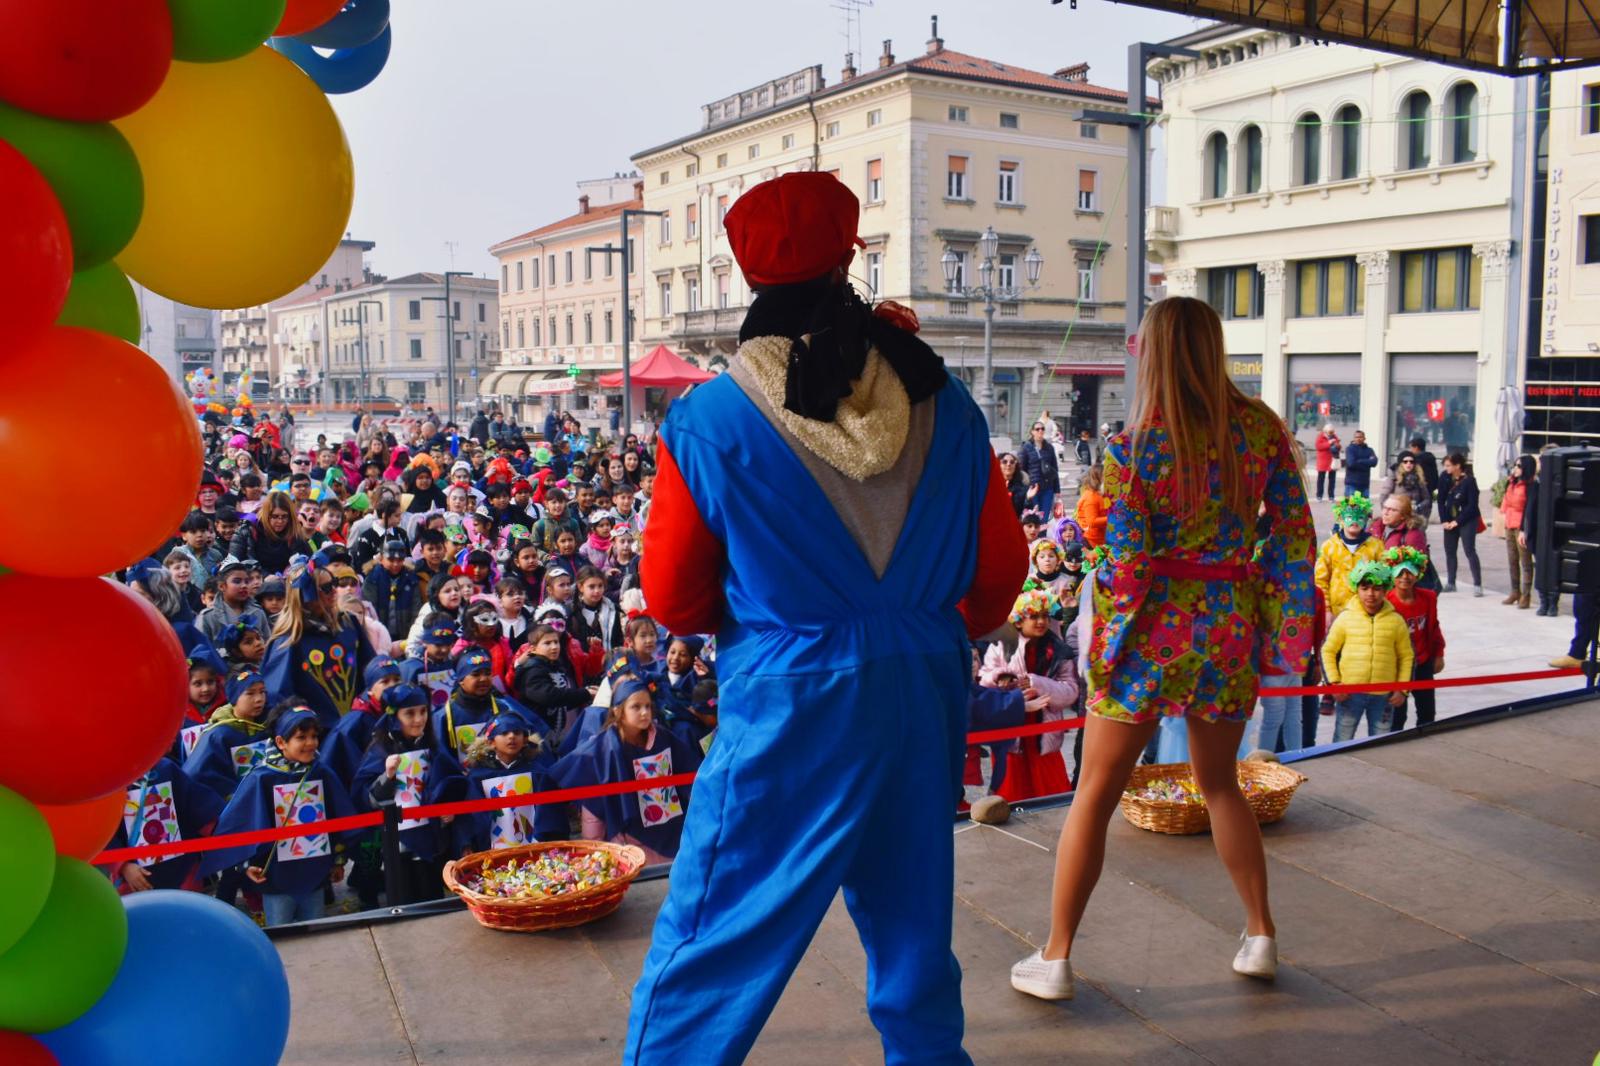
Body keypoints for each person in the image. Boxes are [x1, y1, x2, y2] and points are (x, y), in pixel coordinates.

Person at [626, 171, 1027, 1064]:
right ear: (850, 256)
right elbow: (999, 574)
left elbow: (675, 598)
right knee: (914, 918)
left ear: (743, 274)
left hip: (793, 691)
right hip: (922, 679)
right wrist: (915, 618)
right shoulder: (945, 399)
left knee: (717, 930)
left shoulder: (712, 417)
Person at [1012, 296, 1313, 1001]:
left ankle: (1055, 958)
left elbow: (1125, 567)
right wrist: (1277, 622)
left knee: (1095, 793)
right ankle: (1260, 935)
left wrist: (1104, 647)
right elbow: (1294, 538)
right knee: (1221, 785)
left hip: (1150, 635)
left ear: (1153, 354)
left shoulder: (1132, 448)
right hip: (1227, 628)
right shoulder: (1261, 431)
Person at [199, 704, 359, 927]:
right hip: (274, 877)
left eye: (314, 736)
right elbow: (242, 824)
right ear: (281, 742)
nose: (311, 743)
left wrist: (338, 860)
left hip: (314, 873)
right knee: (281, 932)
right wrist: (246, 865)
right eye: (301, 737)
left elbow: (338, 817)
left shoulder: (322, 772)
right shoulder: (262, 778)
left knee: (317, 933)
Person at [552, 673, 702, 866]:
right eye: (636, 707)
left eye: (648, 706)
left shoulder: (664, 738)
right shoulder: (602, 749)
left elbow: (689, 772)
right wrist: (594, 851)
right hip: (628, 842)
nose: (644, 712)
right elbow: (594, 809)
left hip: (671, 833)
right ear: (617, 710)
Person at [352, 683, 467, 903]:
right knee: (404, 900)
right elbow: (367, 798)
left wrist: (450, 809)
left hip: (431, 838)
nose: (418, 719)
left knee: (433, 898)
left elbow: (451, 781)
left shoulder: (432, 746)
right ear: (395, 716)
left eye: (423, 711)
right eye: (410, 713)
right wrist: (388, 775)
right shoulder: (381, 749)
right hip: (398, 843)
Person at [979, 589, 1078, 801]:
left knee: (1050, 794)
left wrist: (1037, 682)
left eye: (1044, 615)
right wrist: (999, 676)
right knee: (1010, 791)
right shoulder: (1000, 645)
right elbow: (983, 679)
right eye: (1033, 616)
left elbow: (1071, 692)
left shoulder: (1060, 650)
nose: (1041, 621)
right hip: (1011, 728)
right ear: (1017, 621)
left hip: (1045, 732)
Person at [262, 551, 377, 728]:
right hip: (315, 735)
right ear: (304, 596)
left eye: (333, 584)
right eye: (324, 588)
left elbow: (371, 668)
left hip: (357, 726)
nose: (333, 591)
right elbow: (280, 696)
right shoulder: (289, 640)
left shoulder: (349, 623)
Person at [1323, 562, 1412, 740]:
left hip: (1384, 696)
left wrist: (1402, 689)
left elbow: (1406, 656)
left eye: (1377, 588)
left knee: (1381, 743)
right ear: (1357, 589)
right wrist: (1334, 683)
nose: (1371, 594)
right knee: (1342, 740)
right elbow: (1328, 651)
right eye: (1365, 588)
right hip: (1349, 694)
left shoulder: (1396, 620)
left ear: (1386, 590)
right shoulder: (1346, 618)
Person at [1383, 547, 1444, 730]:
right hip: (1397, 666)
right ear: (1392, 575)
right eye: (1400, 572)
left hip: (1423, 661)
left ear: (1418, 574)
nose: (1405, 577)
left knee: (1427, 714)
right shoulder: (1386, 602)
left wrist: (1439, 654)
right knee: (1397, 716)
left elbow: (1434, 627)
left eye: (1410, 572)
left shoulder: (1429, 598)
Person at [1435, 452, 1482, 596]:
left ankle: (1477, 584)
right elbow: (1440, 500)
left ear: (1457, 466)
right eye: (1445, 465)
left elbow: (1472, 506)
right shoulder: (1444, 477)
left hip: (1466, 519)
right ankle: (1451, 582)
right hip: (1449, 519)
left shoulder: (1469, 481)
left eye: (1449, 465)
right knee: (1450, 551)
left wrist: (1457, 521)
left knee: (1469, 550)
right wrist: (1444, 521)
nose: (1446, 468)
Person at [1502, 454, 1536, 611]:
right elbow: (1506, 502)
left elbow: (1529, 509)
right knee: (1512, 559)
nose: (1516, 468)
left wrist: (1524, 530)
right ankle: (1515, 591)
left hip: (1521, 525)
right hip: (1509, 523)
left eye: (1519, 466)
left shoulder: (1531, 486)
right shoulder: (1512, 483)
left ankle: (1526, 595)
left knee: (1525, 562)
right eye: (1515, 465)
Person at [1020, 420, 1062, 519]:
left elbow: (1054, 469)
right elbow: (1022, 470)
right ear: (1032, 432)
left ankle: (1043, 534)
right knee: (1034, 517)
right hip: (1033, 488)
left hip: (1047, 488)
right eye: (1037, 429)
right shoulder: (1026, 447)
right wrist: (1024, 488)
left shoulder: (1049, 447)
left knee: (1044, 518)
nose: (1040, 431)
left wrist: (1057, 490)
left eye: (1042, 429)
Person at [1383, 452, 1433, 522]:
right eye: (1405, 462)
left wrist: (1418, 507)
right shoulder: (1394, 477)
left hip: (1414, 516)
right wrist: (1388, 512)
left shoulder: (1419, 477)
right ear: (1401, 464)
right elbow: (1384, 495)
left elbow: (1427, 499)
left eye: (1411, 462)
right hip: (1398, 516)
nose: (1408, 464)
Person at [1075, 465, 1108, 548]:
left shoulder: (1098, 494)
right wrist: (1112, 517)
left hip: (1100, 539)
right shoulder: (1091, 497)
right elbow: (1092, 521)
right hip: (1092, 541)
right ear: (1099, 478)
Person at [1341, 430, 1378, 499]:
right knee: (1351, 508)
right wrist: (1367, 462)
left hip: (1364, 484)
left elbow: (1374, 462)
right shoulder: (1350, 449)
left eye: (1360, 437)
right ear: (1354, 438)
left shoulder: (1369, 450)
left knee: (1365, 508)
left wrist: (1360, 461)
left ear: (1364, 438)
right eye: (1356, 437)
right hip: (1352, 484)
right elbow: (1351, 464)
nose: (1358, 439)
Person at [1313, 423, 1342, 500]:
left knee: (1332, 480)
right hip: (1323, 461)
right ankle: (1319, 495)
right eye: (1330, 432)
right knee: (1321, 479)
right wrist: (1329, 443)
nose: (1332, 434)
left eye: (1333, 432)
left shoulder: (1334, 437)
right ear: (1325, 431)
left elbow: (1338, 446)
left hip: (1332, 461)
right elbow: (1318, 446)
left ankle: (1331, 495)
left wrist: (1338, 445)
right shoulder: (1320, 436)